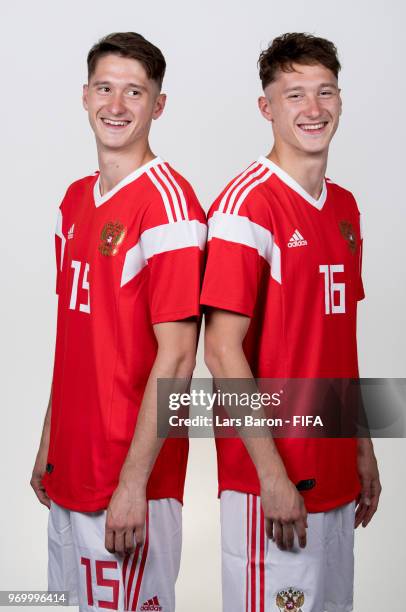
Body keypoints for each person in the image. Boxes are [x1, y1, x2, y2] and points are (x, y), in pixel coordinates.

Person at [201, 32, 381, 612]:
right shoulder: (244, 205)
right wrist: (272, 476)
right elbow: (223, 352)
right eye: (295, 94)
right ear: (267, 107)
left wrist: (362, 445)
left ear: (340, 100)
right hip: (270, 484)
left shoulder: (346, 207)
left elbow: (337, 342)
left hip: (334, 476)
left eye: (325, 93)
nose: (313, 109)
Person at [30, 32, 206, 611]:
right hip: (70, 470)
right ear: (84, 96)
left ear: (158, 105)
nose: (116, 105)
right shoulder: (75, 199)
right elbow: (76, 337)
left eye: (135, 92)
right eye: (105, 88)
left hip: (131, 486)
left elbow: (178, 357)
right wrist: (49, 440)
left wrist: (133, 485)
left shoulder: (170, 204)